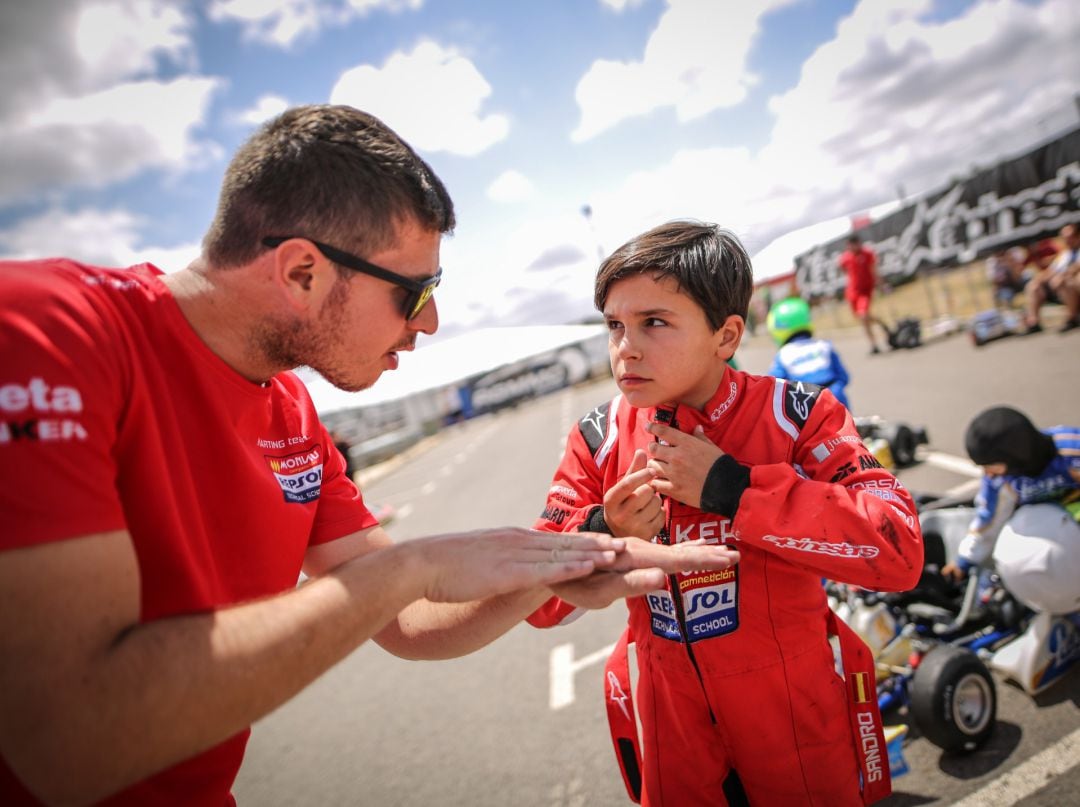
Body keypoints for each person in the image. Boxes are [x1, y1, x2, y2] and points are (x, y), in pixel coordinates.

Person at [0, 105, 739, 805]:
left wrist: (563, 565)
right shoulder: (47, 332)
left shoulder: (289, 408)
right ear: (302, 273)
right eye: (415, 292)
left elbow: (410, 620)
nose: (432, 322)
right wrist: (409, 565)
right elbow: (70, 742)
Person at [527, 220, 923, 805]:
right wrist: (602, 534)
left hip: (794, 716)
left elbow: (899, 553)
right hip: (670, 723)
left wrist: (734, 491)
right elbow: (536, 603)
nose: (625, 348)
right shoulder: (597, 438)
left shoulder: (798, 415)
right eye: (615, 325)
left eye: (653, 323)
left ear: (727, 334)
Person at [941, 407, 1080, 613]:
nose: (987, 473)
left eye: (991, 465)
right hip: (1047, 544)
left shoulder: (1071, 453)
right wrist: (964, 561)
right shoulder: (1001, 480)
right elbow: (988, 520)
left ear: (1016, 453)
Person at [765, 295, 852, 409]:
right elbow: (844, 376)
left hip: (807, 405)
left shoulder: (782, 356)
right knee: (848, 425)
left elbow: (773, 388)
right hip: (836, 397)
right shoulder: (824, 345)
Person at [838, 233, 891, 354]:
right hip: (852, 292)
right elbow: (842, 268)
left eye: (854, 244)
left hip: (865, 291)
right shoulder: (845, 258)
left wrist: (882, 285)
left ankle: (873, 345)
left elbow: (874, 271)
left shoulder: (867, 254)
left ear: (858, 244)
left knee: (863, 316)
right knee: (861, 317)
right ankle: (881, 323)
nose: (852, 248)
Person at [1023, 224, 1080, 333]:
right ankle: (1033, 322)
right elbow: (1051, 271)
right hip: (1057, 287)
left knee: (1062, 282)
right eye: (1064, 238)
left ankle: (1072, 318)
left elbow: (1075, 268)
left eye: (1069, 237)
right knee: (1034, 286)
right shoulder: (1065, 255)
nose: (1067, 241)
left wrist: (1062, 275)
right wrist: (1039, 280)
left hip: (1070, 285)